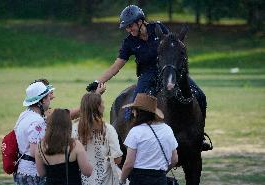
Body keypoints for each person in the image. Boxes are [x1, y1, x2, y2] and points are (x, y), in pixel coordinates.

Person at [86, 5, 211, 151]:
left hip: (169, 69)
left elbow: (172, 45)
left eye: (130, 25)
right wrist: (97, 82)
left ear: (140, 22)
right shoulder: (129, 42)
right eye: (126, 27)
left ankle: (199, 136)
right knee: (132, 105)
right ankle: (130, 139)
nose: (128, 29)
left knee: (200, 95)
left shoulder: (158, 28)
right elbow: (116, 67)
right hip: (147, 73)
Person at [118, 93, 178, 185]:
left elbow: (129, 164)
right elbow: (174, 159)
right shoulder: (167, 129)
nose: (133, 113)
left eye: (134, 110)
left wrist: (121, 181)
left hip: (139, 181)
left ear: (138, 112)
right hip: (160, 181)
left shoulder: (135, 131)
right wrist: (161, 173)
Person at [73, 92, 123, 185]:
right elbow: (118, 159)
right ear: (98, 107)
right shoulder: (108, 129)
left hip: (81, 182)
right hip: (105, 183)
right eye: (102, 103)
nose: (104, 106)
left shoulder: (74, 129)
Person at [35, 109, 93, 185]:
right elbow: (87, 172)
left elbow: (41, 173)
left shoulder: (40, 146)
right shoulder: (74, 145)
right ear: (68, 125)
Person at [13, 82, 53, 185]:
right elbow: (36, 152)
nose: (51, 98)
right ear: (43, 100)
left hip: (22, 170)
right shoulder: (37, 122)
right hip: (32, 174)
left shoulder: (24, 114)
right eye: (49, 95)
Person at [32, 78, 106, 120]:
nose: (53, 95)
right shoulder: (46, 115)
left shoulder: (30, 113)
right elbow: (77, 113)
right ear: (42, 99)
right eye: (49, 92)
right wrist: (96, 95)